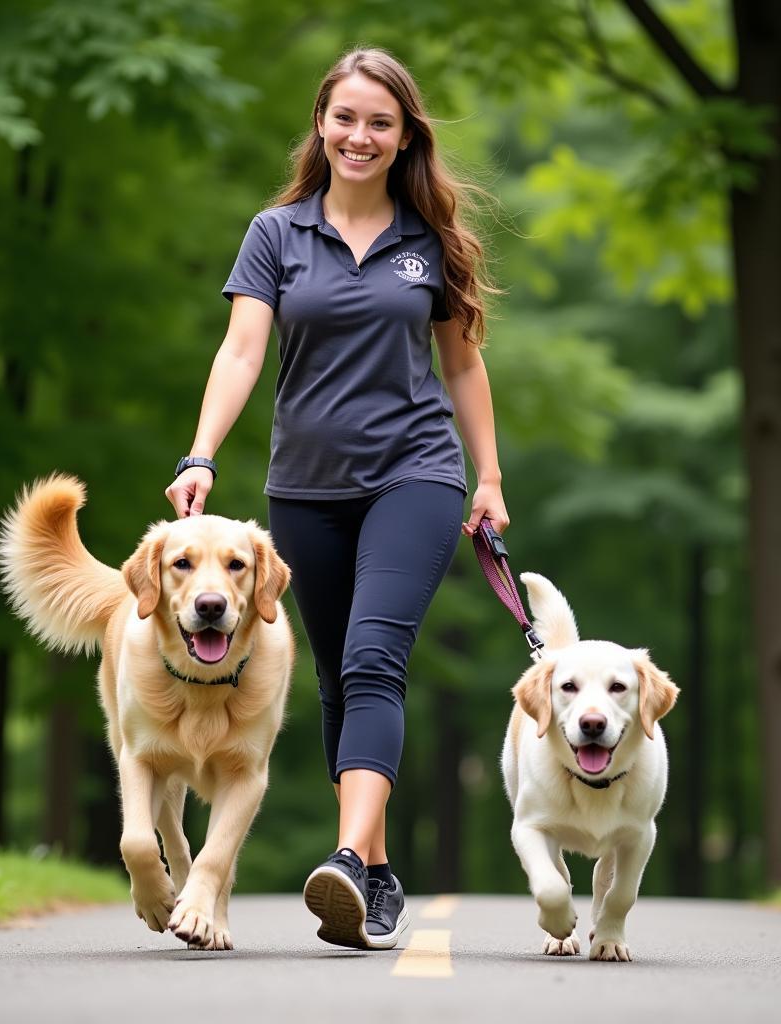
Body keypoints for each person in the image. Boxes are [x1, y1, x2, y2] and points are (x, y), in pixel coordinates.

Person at [165, 47, 509, 950]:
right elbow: (241, 352)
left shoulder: (427, 243)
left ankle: (349, 861)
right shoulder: (276, 234)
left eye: (380, 123)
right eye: (346, 118)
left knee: (373, 658)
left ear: (404, 139)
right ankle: (380, 875)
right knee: (334, 678)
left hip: (416, 474)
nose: (361, 136)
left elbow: (463, 363)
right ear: (321, 124)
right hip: (304, 490)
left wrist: (491, 478)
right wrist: (201, 454)